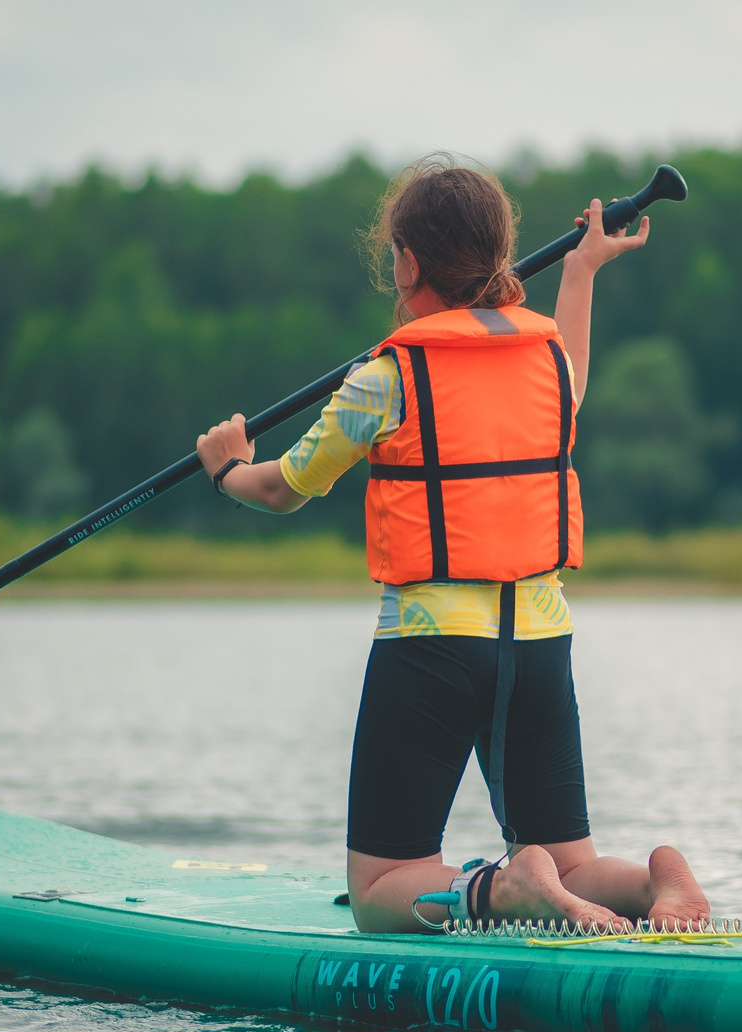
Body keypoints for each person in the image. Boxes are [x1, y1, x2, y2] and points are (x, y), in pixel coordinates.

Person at [194, 156, 709, 935]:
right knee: (571, 862)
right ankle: (651, 881)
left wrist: (228, 466)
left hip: (432, 648)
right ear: (499, 254)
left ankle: (502, 889)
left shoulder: (386, 377)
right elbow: (574, 377)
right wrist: (582, 271)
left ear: (407, 262)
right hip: (539, 643)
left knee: (379, 889)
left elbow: (284, 487)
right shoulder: (546, 361)